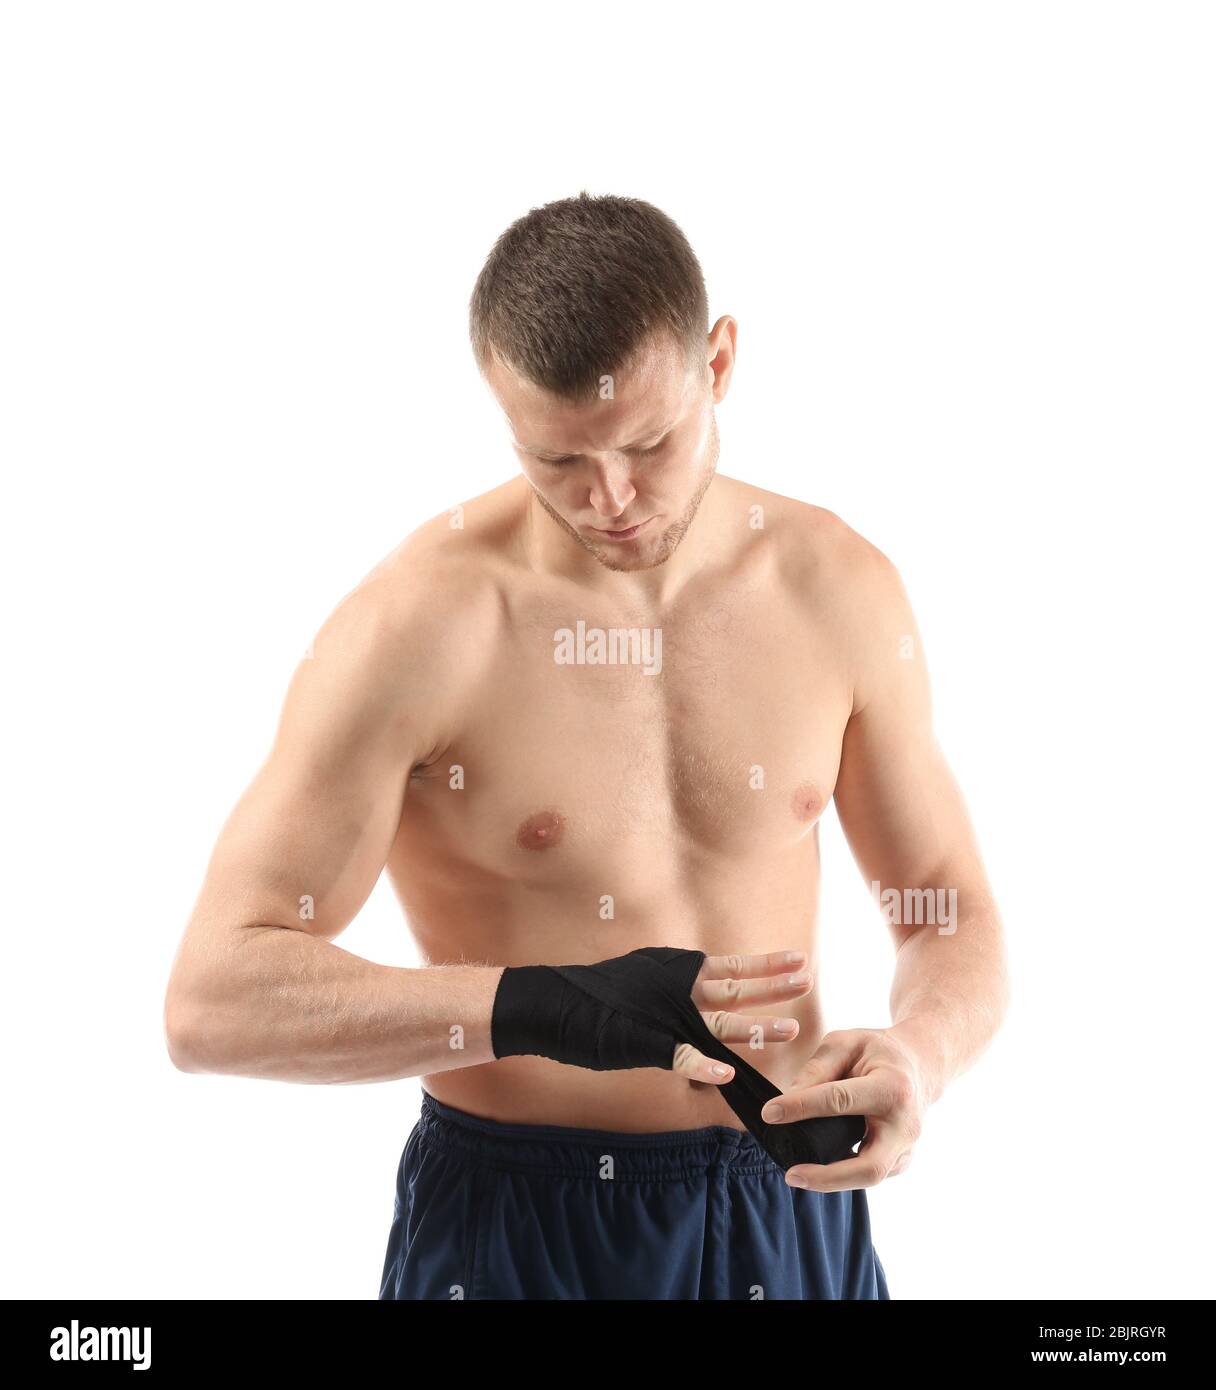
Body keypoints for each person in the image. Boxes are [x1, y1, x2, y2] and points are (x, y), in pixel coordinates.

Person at [164, 191, 1010, 1300]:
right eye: (556, 460)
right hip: (520, 1223)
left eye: (650, 443)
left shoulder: (836, 587)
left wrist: (922, 1053)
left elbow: (943, 899)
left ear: (719, 362)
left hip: (785, 1196)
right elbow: (211, 1002)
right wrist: (534, 1003)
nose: (611, 499)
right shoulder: (415, 628)